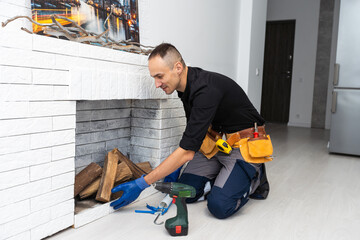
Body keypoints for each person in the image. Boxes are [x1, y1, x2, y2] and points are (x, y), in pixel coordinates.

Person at [111, 43, 270, 219]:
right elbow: (192, 134)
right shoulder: (185, 89)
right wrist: (174, 166)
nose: (156, 84)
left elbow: (187, 152)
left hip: (243, 146)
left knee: (220, 206)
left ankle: (257, 175)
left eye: (159, 76)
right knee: (185, 192)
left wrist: (141, 184)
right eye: (154, 78)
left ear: (178, 67)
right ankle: (224, 177)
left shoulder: (206, 90)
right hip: (217, 145)